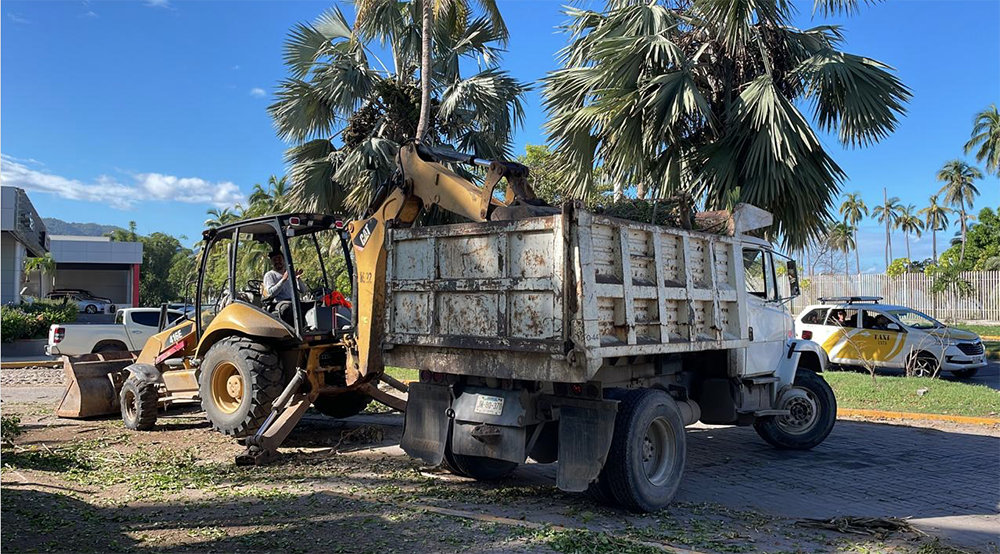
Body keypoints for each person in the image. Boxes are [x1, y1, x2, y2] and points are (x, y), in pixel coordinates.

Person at [263, 251, 306, 324]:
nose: (277, 261)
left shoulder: (290, 273)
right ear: (272, 262)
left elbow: (303, 290)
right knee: (288, 307)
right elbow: (271, 293)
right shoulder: (270, 275)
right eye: (274, 260)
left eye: (279, 259)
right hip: (279, 302)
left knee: (311, 305)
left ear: (283, 260)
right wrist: (283, 280)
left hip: (294, 301)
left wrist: (298, 279)